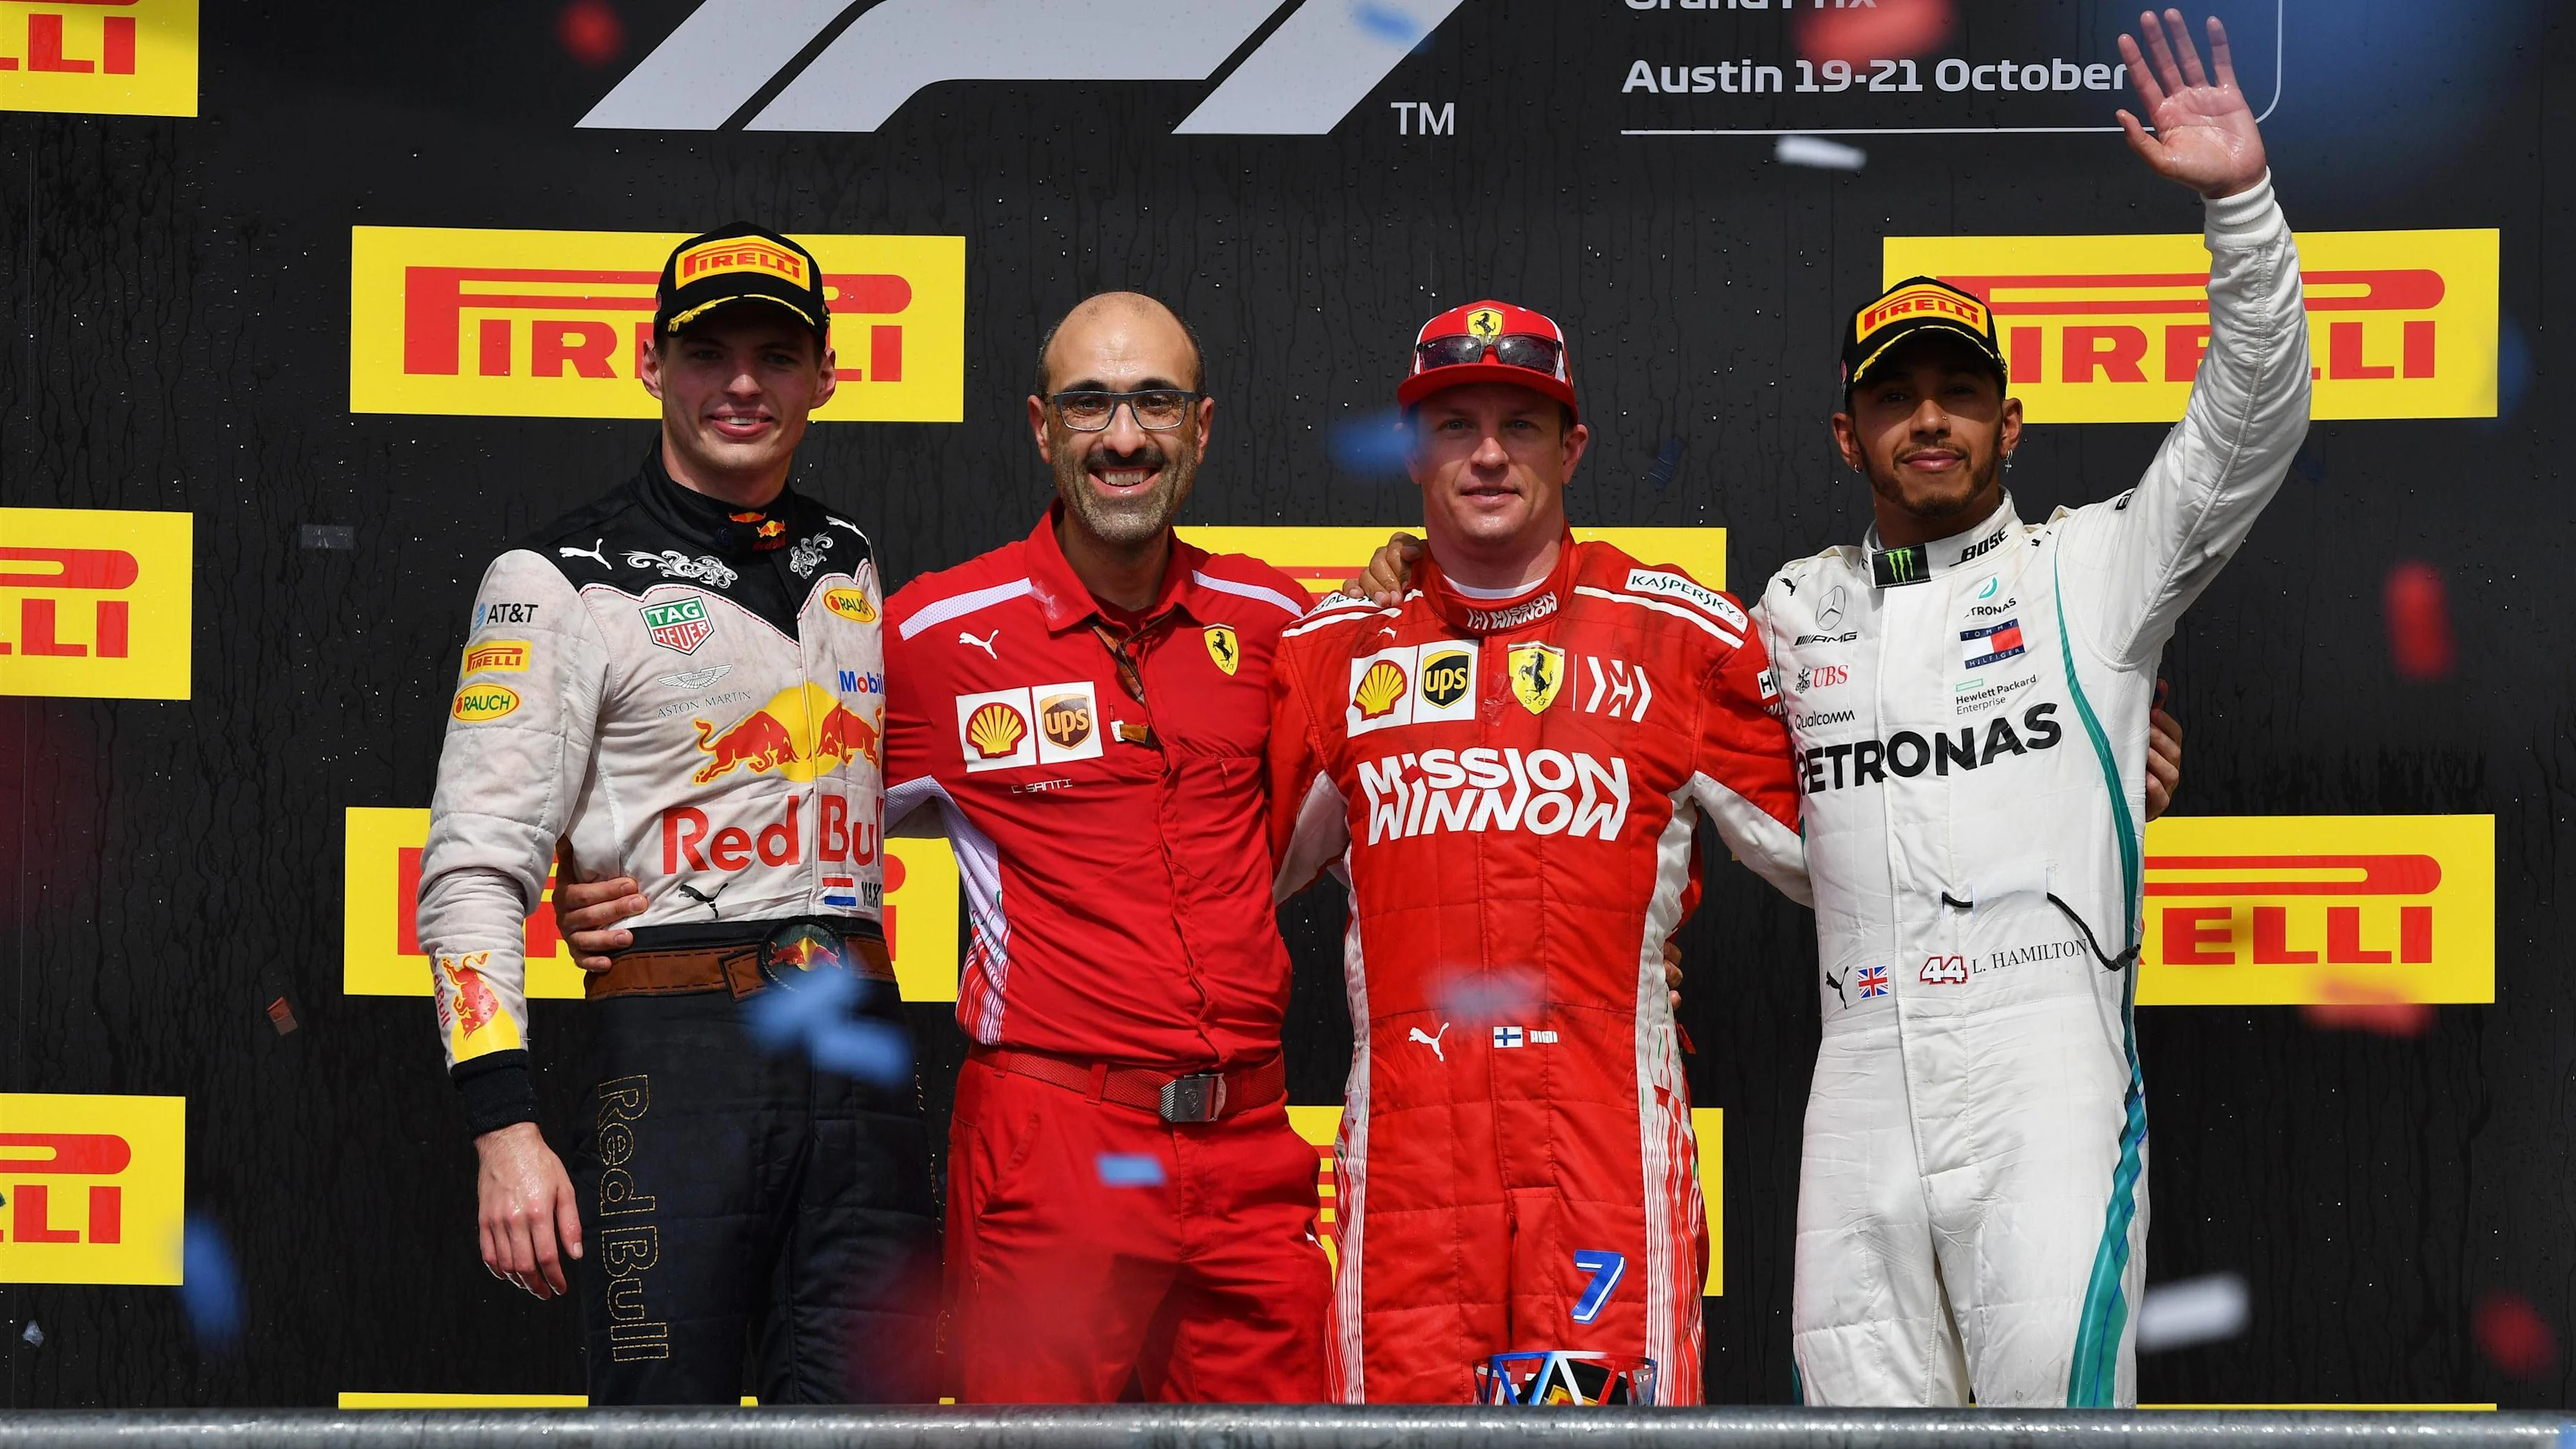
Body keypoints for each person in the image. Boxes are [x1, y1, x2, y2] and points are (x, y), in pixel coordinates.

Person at [557, 292, 1336, 1403]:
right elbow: (770, 783)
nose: (1124, 436)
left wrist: (1417, 584)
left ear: (1202, 428)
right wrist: (603, 872)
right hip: (1057, 1136)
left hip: (1253, 1142)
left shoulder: (1275, 619)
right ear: (1039, 427)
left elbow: (1396, 782)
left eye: (1155, 403)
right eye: (1090, 405)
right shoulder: (929, 635)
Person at [1768, 11, 2306, 1408]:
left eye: (1962, 394)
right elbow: (1669, 753)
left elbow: (2248, 426)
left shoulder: (2091, 567)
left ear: (2014, 426)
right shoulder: (1791, 608)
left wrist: (2240, 208)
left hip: (2043, 1074)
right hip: (1859, 1091)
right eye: (1898, 400)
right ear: (1849, 435)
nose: (1930, 421)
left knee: (2055, 1434)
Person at [417, 223, 939, 1404]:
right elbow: (471, 870)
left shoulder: (846, 557)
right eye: (708, 353)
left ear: (827, 376)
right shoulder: (555, 576)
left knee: (882, 1432)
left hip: (860, 1058)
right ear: (649, 365)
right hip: (678, 1064)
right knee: (664, 1430)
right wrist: (502, 1128)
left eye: (775, 353)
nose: (742, 384)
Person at [1265, 297, 1812, 1404]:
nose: (1486, 455)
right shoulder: (1336, 650)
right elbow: (1217, 870)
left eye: (1520, 425)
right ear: (1415, 452)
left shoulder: (1680, 637)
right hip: (1409, 1170)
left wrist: (2074, 756)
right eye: (1454, 425)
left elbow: (1851, 842)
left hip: (1604, 1159)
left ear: (1573, 448)